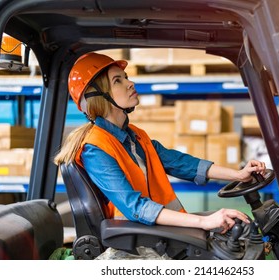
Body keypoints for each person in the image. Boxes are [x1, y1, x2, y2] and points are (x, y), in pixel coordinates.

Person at [54, 52, 266, 234]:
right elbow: (134, 207)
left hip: (156, 232)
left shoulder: (135, 137)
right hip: (135, 242)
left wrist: (238, 175)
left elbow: (183, 164)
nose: (130, 83)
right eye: (117, 81)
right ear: (98, 96)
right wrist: (204, 222)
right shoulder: (96, 149)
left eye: (125, 77)